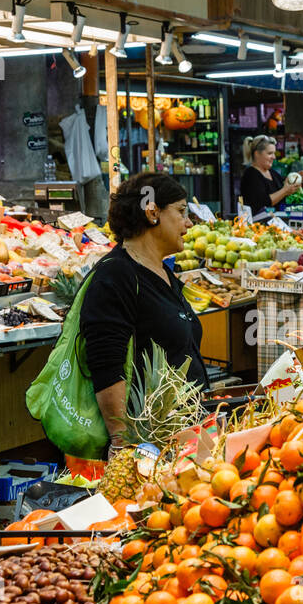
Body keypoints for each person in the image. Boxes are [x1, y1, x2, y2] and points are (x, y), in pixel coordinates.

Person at [79, 173, 210, 449]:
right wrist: (123, 443)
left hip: (184, 432)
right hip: (147, 445)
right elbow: (106, 367)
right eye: (181, 211)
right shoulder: (116, 276)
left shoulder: (163, 273)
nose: (188, 223)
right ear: (152, 213)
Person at [240, 135, 302, 213]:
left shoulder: (272, 172)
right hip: (259, 224)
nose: (274, 157)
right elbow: (263, 203)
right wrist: (285, 190)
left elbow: (283, 188)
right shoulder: (250, 176)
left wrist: (295, 180)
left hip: (277, 221)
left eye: (274, 153)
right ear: (257, 154)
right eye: (270, 153)